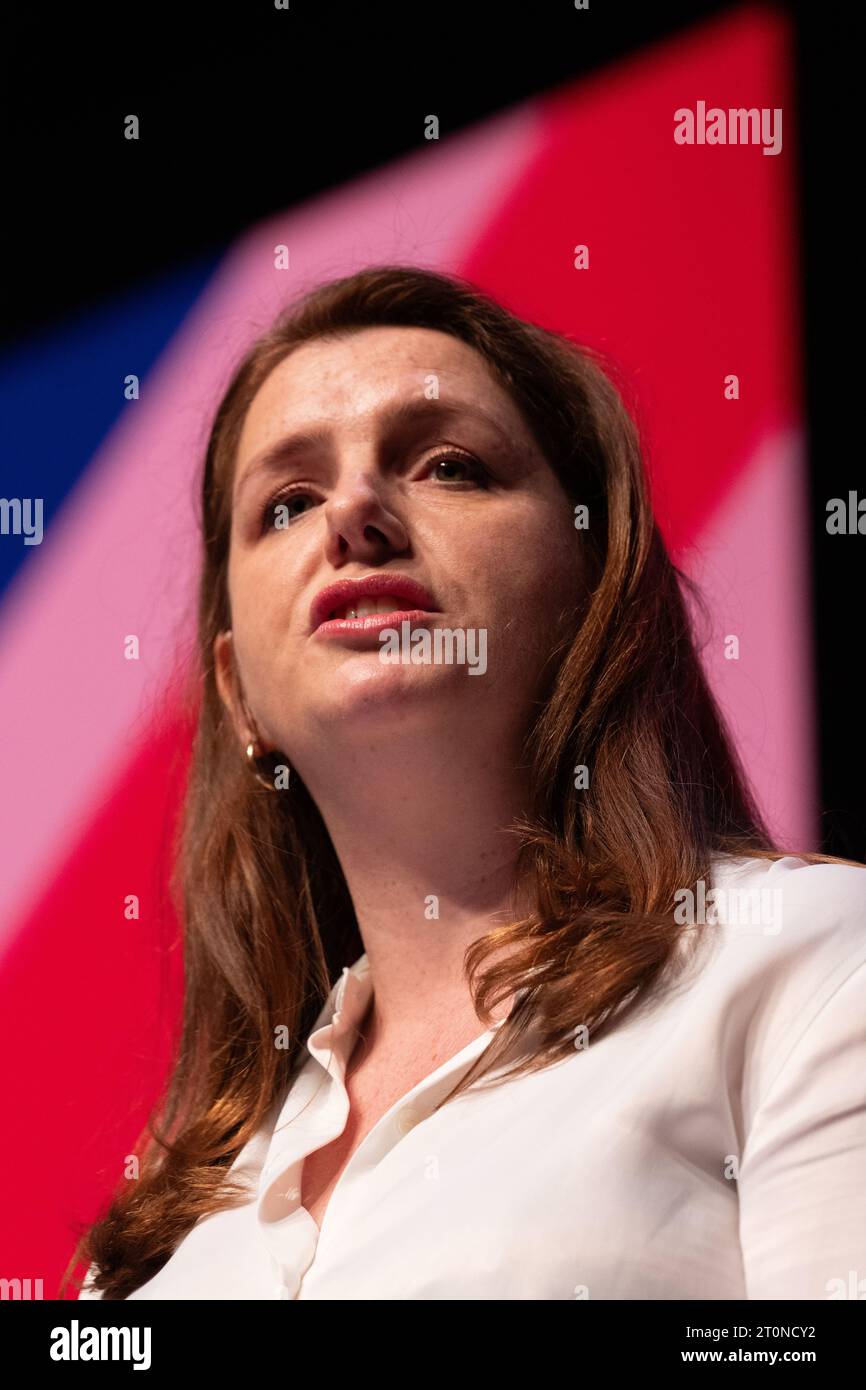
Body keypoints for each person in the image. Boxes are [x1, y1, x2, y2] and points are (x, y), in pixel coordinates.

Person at [67, 265, 866, 1301]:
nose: (352, 511)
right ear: (239, 694)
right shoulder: (164, 1233)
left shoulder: (809, 962)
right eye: (287, 502)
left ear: (596, 581)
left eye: (447, 464)